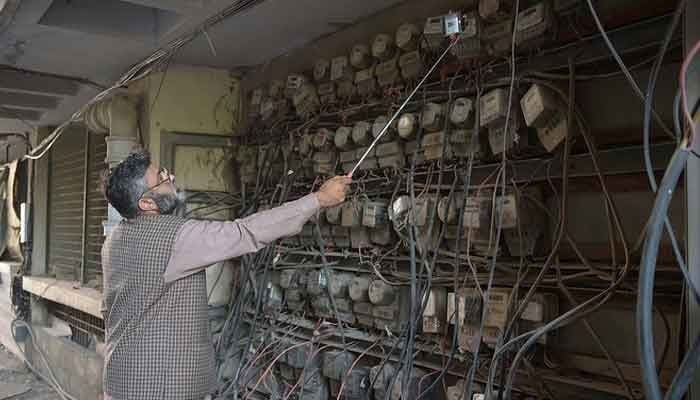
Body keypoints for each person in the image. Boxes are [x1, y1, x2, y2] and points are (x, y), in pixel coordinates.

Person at [100, 150, 350, 400]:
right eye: (162, 176)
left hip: (121, 381)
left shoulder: (114, 241)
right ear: (147, 203)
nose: (171, 176)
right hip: (159, 390)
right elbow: (246, 232)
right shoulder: (174, 238)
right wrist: (318, 199)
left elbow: (108, 308)